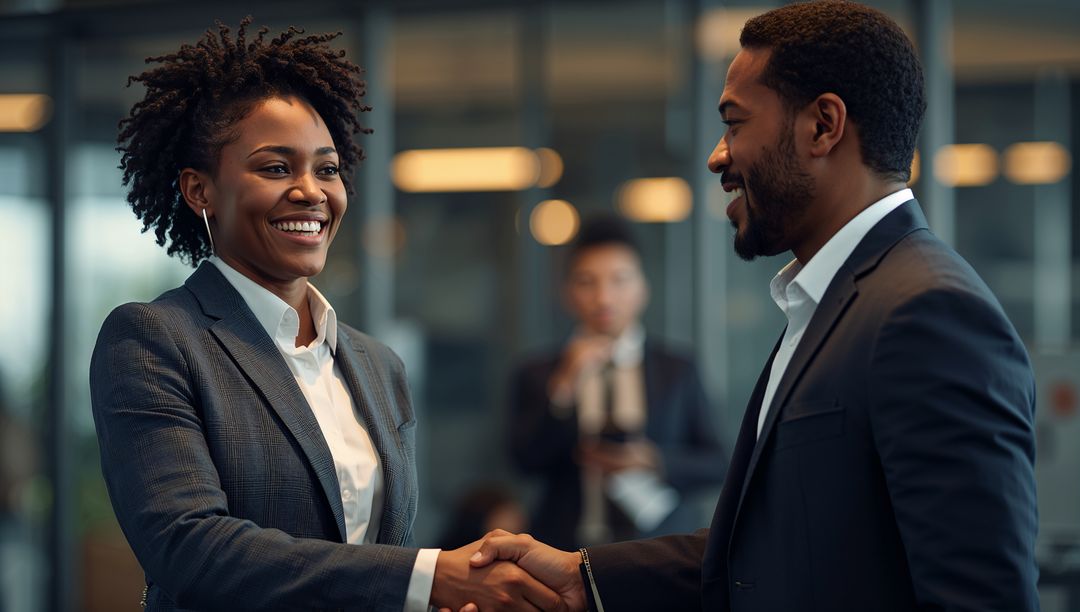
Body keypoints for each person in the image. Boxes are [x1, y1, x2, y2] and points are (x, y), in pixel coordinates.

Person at [469, 2, 1040, 611]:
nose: (718, 156)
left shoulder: (928, 312)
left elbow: (984, 599)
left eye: (735, 124)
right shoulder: (835, 302)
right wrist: (582, 576)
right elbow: (771, 552)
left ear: (823, 126)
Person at [90, 18, 565, 612]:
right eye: (275, 167)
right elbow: (190, 549)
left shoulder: (376, 365)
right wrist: (430, 578)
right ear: (199, 190)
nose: (311, 191)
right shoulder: (154, 339)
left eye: (328, 168)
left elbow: (378, 553)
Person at [509, 216, 726, 550]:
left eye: (619, 280)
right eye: (587, 282)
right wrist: (564, 385)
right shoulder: (539, 372)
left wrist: (653, 460)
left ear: (642, 289)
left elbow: (716, 462)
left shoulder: (676, 369)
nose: (604, 297)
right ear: (568, 293)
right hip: (565, 545)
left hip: (662, 545)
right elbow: (523, 461)